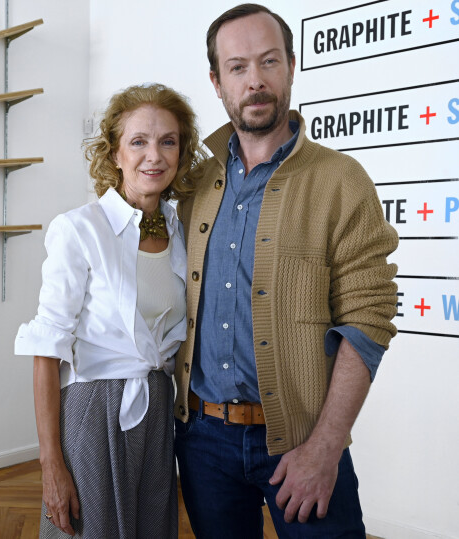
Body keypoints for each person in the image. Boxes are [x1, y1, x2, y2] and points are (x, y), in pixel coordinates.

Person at [173, 4, 399, 538]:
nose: (256, 81)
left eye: (269, 61)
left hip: (305, 439)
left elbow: (369, 319)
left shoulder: (341, 179)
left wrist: (325, 446)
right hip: (202, 440)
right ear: (216, 80)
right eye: (238, 67)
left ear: (292, 67)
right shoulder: (192, 187)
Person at [15, 83, 205, 538]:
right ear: (114, 153)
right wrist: (50, 464)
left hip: (158, 408)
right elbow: (47, 350)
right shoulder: (79, 229)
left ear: (181, 152)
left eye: (167, 141)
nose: (153, 156)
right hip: (94, 410)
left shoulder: (183, 231)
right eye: (138, 141)